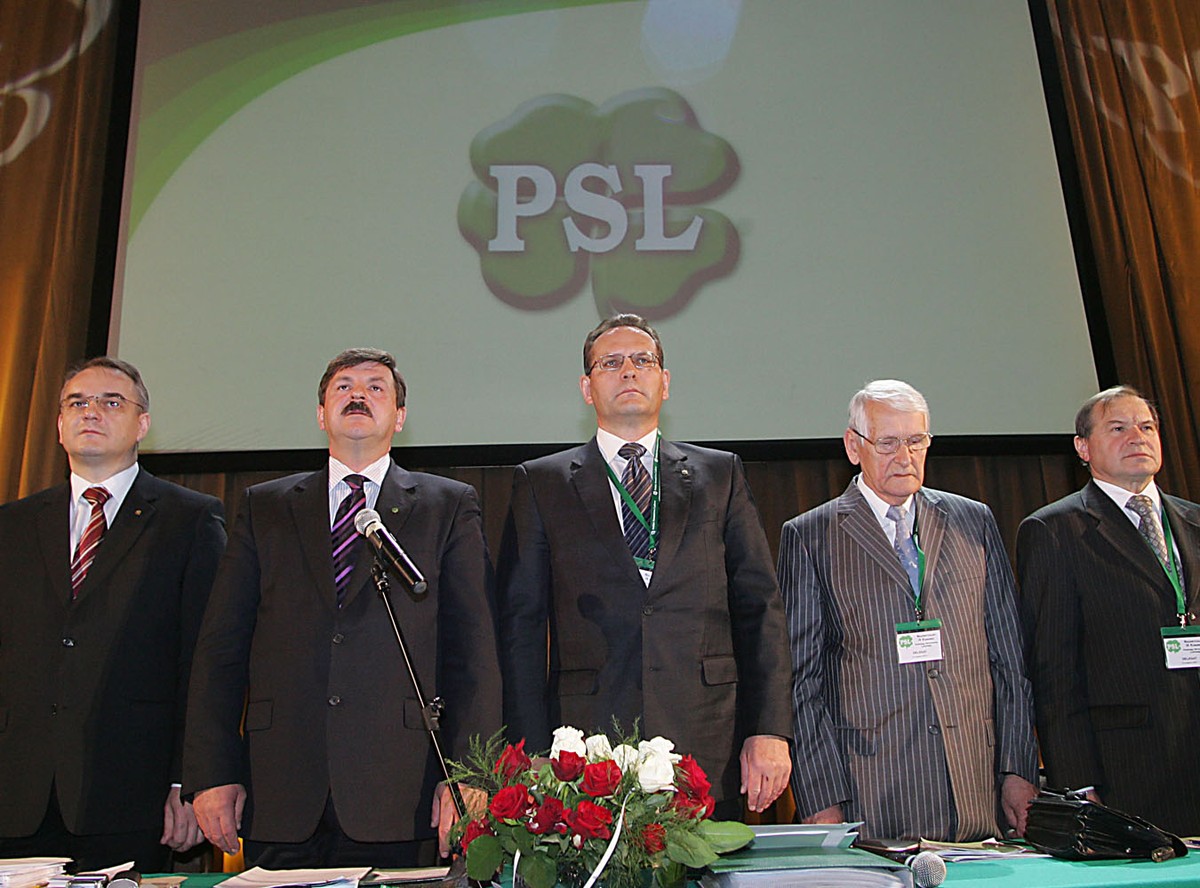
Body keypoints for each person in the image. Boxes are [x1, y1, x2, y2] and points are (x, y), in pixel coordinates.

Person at [183, 348, 500, 867]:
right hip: (280, 784)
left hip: (402, 787)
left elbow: (474, 651)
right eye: (344, 387)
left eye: (376, 387)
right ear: (320, 413)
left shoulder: (447, 505)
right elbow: (221, 648)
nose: (358, 395)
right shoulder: (266, 506)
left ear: (400, 416)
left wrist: (468, 773)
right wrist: (213, 771)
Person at [497, 314, 792, 819]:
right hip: (587, 750)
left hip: (708, 740)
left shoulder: (719, 474)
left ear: (665, 382)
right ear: (587, 388)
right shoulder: (541, 483)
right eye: (611, 363)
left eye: (642, 360)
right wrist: (530, 750)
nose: (629, 371)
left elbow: (759, 608)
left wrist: (769, 729)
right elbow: (520, 629)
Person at [779, 380, 1037, 841]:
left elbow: (1009, 659)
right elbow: (802, 680)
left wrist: (1018, 768)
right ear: (853, 446)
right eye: (888, 443)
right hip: (871, 791)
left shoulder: (972, 520)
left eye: (916, 441)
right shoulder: (810, 535)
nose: (905, 457)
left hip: (975, 786)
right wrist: (820, 797)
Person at [0, 357, 226, 871]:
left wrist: (187, 781)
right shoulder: (12, 525)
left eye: (111, 402)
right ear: (59, 426)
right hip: (17, 793)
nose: (91, 412)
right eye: (77, 402)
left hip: (130, 793)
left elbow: (203, 662)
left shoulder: (190, 519)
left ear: (142, 423)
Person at [1017, 385, 1200, 836]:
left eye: (1147, 427)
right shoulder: (1055, 529)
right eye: (1118, 428)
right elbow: (1053, 670)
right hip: (1129, 768)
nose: (1138, 437)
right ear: (1083, 448)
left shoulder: (1194, 521)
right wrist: (1077, 781)